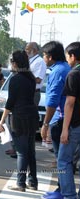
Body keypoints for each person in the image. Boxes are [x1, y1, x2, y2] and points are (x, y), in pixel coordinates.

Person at [0, 50, 39, 192]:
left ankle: (20, 183)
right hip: (32, 116)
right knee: (30, 151)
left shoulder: (15, 78)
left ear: (14, 63)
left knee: (21, 152)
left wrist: (1, 121)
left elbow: (10, 103)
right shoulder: (31, 78)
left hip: (19, 117)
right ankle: (33, 182)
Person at [40, 41, 71, 199]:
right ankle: (61, 189)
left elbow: (53, 100)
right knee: (63, 159)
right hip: (65, 119)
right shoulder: (65, 68)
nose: (43, 59)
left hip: (60, 119)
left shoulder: (58, 71)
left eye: (44, 56)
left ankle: (64, 193)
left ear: (50, 57)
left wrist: (45, 124)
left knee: (62, 160)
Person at [57, 41, 80, 199]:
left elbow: (70, 103)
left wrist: (65, 129)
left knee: (63, 161)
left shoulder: (73, 74)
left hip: (75, 125)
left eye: (67, 57)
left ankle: (69, 196)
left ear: (73, 56)